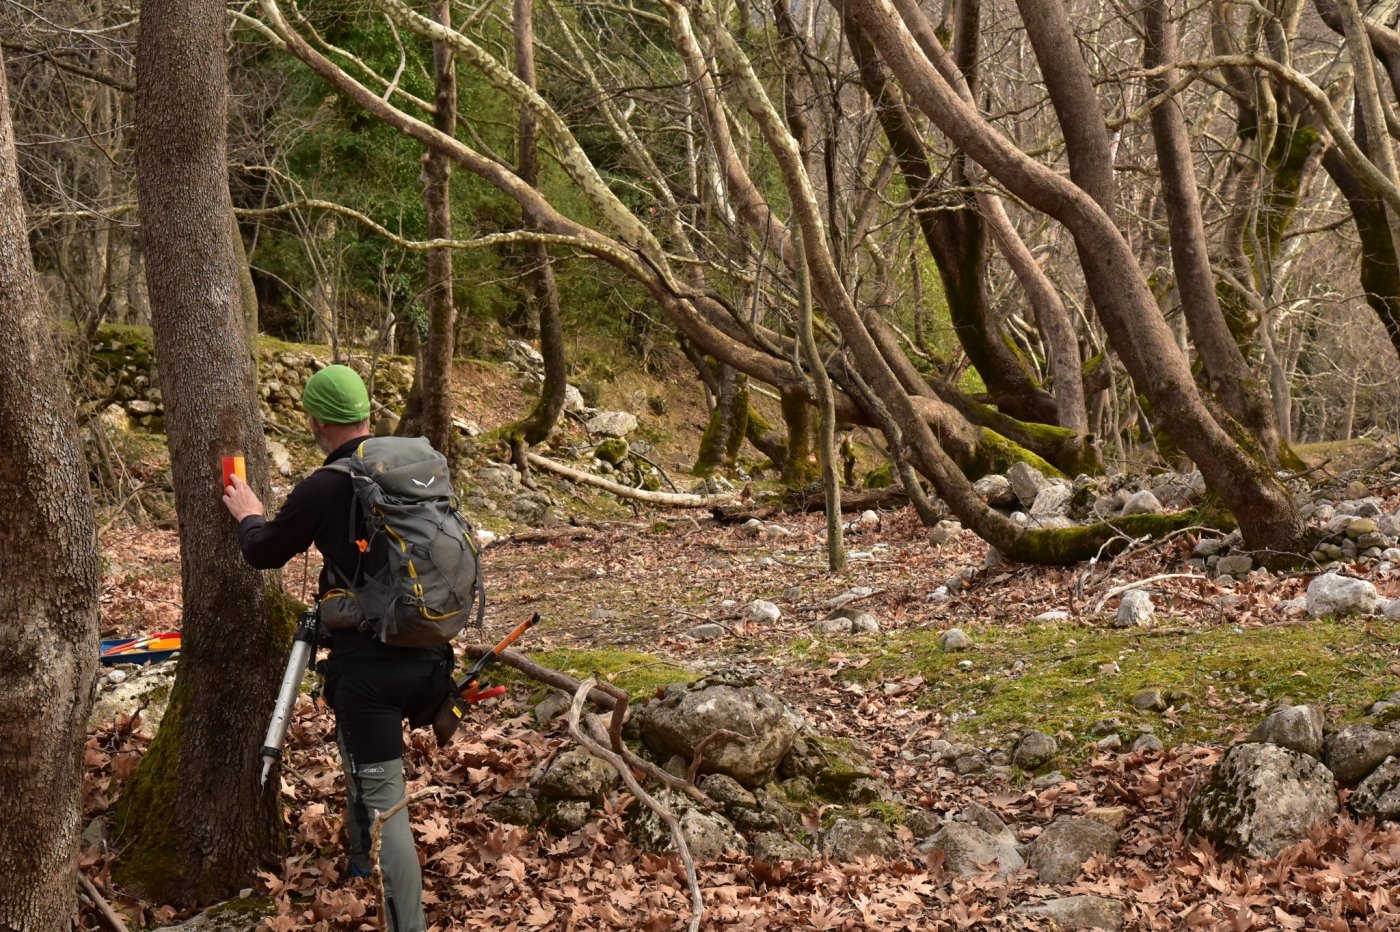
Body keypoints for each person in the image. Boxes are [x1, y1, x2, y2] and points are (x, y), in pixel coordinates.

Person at [222, 364, 448, 932]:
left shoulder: (324, 485)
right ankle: (357, 862)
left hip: (369, 675)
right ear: (367, 414)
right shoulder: (412, 468)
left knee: (389, 806)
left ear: (317, 421)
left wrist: (249, 515)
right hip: (430, 654)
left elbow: (264, 553)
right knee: (369, 771)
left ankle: (408, 924)